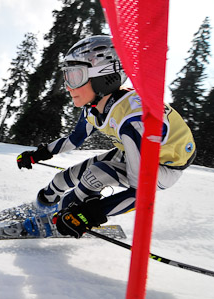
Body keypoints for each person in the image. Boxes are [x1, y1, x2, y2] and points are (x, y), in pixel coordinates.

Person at [16, 35, 196, 239]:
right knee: (62, 178)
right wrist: (38, 154)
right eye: (66, 76)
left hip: (162, 166)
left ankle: (56, 221)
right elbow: (73, 140)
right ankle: (41, 208)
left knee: (96, 175)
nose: (68, 86)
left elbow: (142, 195)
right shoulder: (94, 109)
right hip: (131, 152)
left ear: (104, 76)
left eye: (75, 77)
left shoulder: (132, 121)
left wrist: (91, 214)